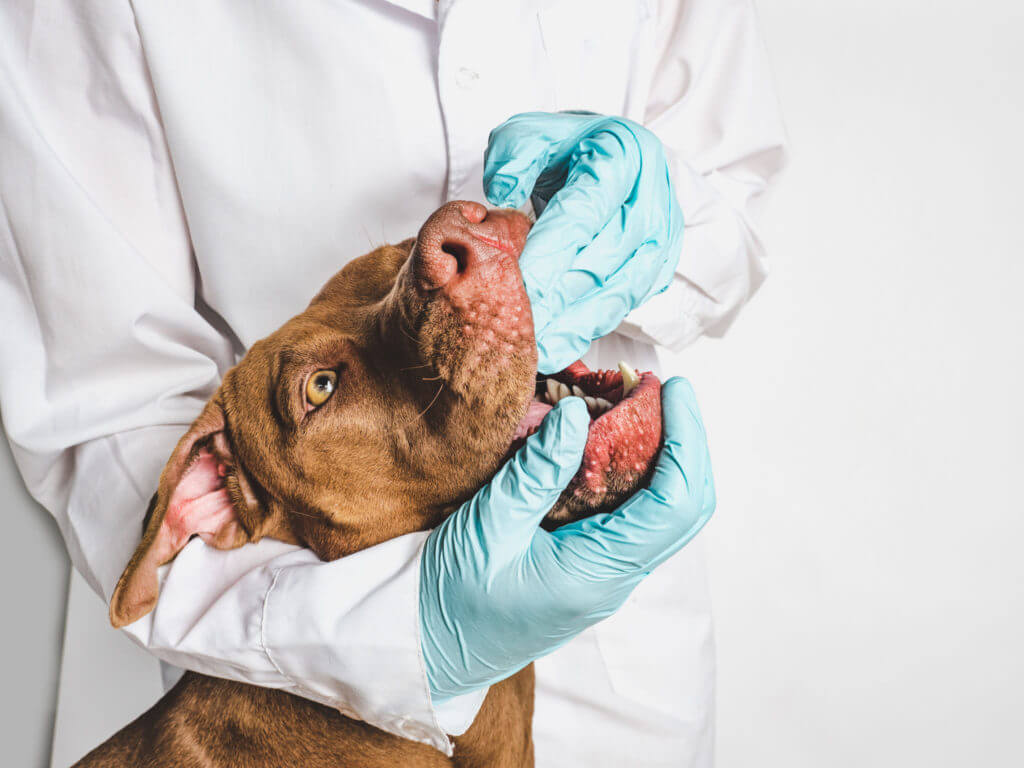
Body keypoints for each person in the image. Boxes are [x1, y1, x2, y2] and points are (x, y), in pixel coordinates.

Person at [0, 1, 786, 765]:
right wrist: (408, 633)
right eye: (318, 388)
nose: (460, 235)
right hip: (292, 672)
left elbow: (740, 200)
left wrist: (657, 228)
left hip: (630, 676)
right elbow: (104, 406)